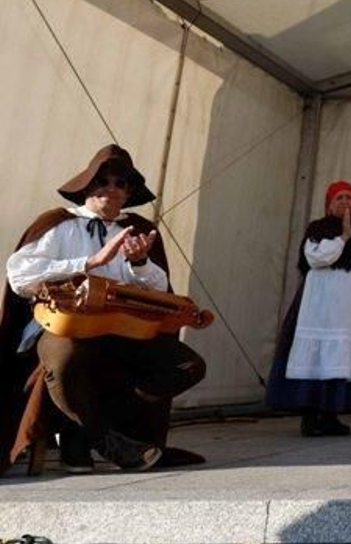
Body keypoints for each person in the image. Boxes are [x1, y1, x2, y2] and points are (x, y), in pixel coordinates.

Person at [4, 145, 206, 472]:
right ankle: (103, 440)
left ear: (128, 193)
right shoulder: (59, 224)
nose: (111, 188)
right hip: (64, 324)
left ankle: (84, 434)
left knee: (187, 366)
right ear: (87, 186)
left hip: (119, 329)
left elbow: (158, 291)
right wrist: (89, 262)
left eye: (120, 183)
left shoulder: (137, 231)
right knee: (67, 358)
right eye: (103, 181)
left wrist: (140, 262)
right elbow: (19, 275)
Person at [266, 180, 351, 437]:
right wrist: (343, 238)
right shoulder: (318, 228)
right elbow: (316, 258)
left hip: (350, 307)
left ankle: (332, 415)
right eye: (339, 198)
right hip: (322, 303)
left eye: (349, 198)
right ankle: (310, 417)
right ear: (329, 203)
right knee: (319, 356)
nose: (345, 202)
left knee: (341, 358)